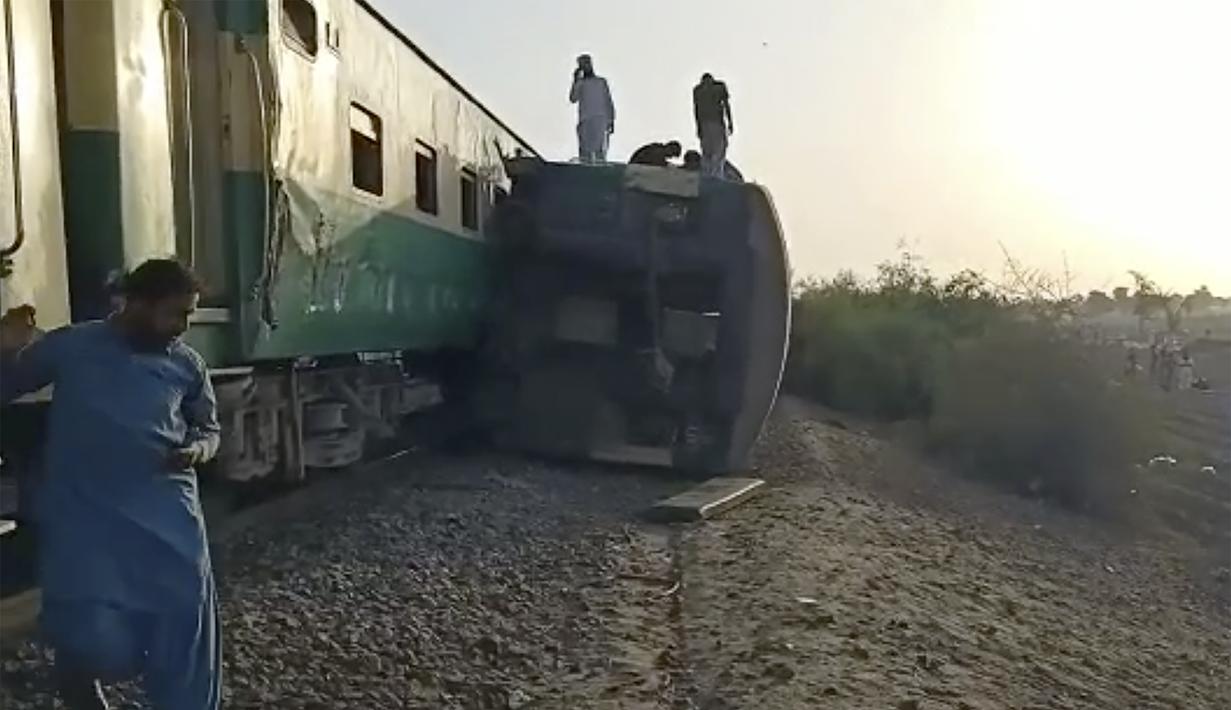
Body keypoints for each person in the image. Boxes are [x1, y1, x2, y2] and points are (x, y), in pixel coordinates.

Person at [0, 259, 221, 710]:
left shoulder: (187, 364)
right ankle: (81, 686)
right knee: (89, 632)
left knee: (182, 628)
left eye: (188, 315)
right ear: (137, 303)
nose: (182, 327)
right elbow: (7, 385)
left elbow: (209, 429)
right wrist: (5, 348)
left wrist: (198, 450)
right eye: (175, 313)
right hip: (89, 515)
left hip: (169, 518)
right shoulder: (74, 346)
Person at [569, 54, 615, 163]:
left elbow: (608, 101)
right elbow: (573, 98)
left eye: (587, 63)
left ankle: (601, 172)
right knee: (585, 151)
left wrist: (611, 120)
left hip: (600, 118)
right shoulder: (580, 83)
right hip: (585, 119)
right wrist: (575, 80)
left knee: (600, 150)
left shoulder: (601, 82)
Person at [693, 73, 733, 178]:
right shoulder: (719, 87)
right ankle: (716, 176)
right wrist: (730, 122)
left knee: (707, 152)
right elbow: (726, 105)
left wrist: (698, 127)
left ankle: (707, 176)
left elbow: (696, 110)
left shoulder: (698, 91)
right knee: (718, 151)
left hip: (705, 125)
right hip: (717, 123)